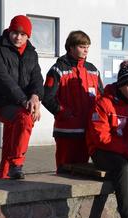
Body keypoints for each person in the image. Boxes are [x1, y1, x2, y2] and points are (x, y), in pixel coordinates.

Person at [86, 61, 128, 218]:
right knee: (121, 166)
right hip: (102, 151)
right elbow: (101, 137)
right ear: (120, 85)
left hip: (127, 152)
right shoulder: (103, 103)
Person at [0, 15, 44, 179]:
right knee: (25, 118)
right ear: (9, 31)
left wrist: (35, 97)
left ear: (28, 36)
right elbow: (0, 76)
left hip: (21, 103)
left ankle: (4, 177)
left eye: (23, 34)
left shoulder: (31, 53)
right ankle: (17, 165)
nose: (18, 37)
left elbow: (37, 78)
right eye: (15, 33)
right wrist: (25, 102)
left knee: (11, 139)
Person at [42, 30, 103, 173]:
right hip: (66, 132)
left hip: (88, 131)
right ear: (71, 47)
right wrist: (63, 113)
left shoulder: (93, 70)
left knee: (83, 171)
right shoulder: (58, 69)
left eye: (87, 46)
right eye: (82, 46)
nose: (86, 50)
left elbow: (102, 97)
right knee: (64, 171)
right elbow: (47, 97)